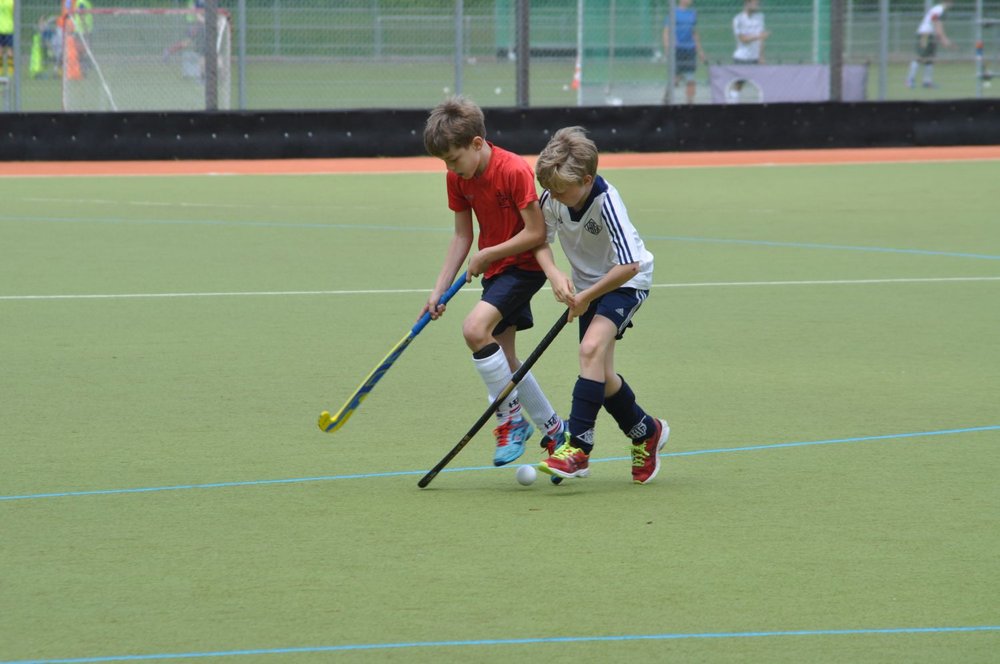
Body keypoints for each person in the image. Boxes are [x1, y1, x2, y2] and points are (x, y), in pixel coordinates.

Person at [422, 96, 566, 467]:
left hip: (523, 267)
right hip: (497, 270)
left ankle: (510, 419)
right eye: (445, 162)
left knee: (474, 329)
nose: (451, 168)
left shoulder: (513, 170)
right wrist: (439, 289)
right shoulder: (457, 178)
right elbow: (462, 236)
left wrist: (488, 254)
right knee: (506, 359)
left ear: (476, 143)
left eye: (454, 159)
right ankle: (555, 431)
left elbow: (536, 233)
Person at [532, 126, 670, 485]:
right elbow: (539, 240)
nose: (554, 197)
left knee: (590, 349)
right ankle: (645, 431)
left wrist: (585, 297)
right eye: (550, 190)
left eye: (561, 191)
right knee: (601, 374)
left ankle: (577, 449)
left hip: (625, 282)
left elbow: (629, 266)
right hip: (588, 287)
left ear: (586, 180)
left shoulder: (606, 201)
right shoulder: (553, 196)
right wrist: (554, 274)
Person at [662, 0, 707, 105]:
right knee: (675, 79)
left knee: (691, 78)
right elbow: (666, 31)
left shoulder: (692, 13)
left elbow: (694, 32)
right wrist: (667, 48)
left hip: (690, 49)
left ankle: (689, 104)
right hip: (677, 49)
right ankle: (666, 99)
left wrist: (700, 51)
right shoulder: (673, 13)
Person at [907, 1, 953, 89]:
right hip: (925, 34)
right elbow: (938, 26)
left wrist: (941, 38)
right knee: (921, 56)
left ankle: (927, 82)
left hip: (931, 34)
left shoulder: (941, 10)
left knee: (930, 58)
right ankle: (909, 80)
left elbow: (937, 26)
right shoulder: (940, 10)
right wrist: (944, 39)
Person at [730, 0, 769, 103]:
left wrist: (761, 56)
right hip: (742, 58)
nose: (758, 5)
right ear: (747, 3)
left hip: (755, 57)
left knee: (762, 82)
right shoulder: (738, 19)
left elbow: (761, 39)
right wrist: (758, 36)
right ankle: (733, 103)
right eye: (755, 3)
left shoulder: (760, 17)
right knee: (739, 83)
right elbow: (743, 39)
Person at [0, 0, 13, 78]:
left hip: (4, 28)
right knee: (9, 50)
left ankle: (2, 71)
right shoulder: (11, 2)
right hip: (8, 28)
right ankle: (9, 71)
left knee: (2, 50)